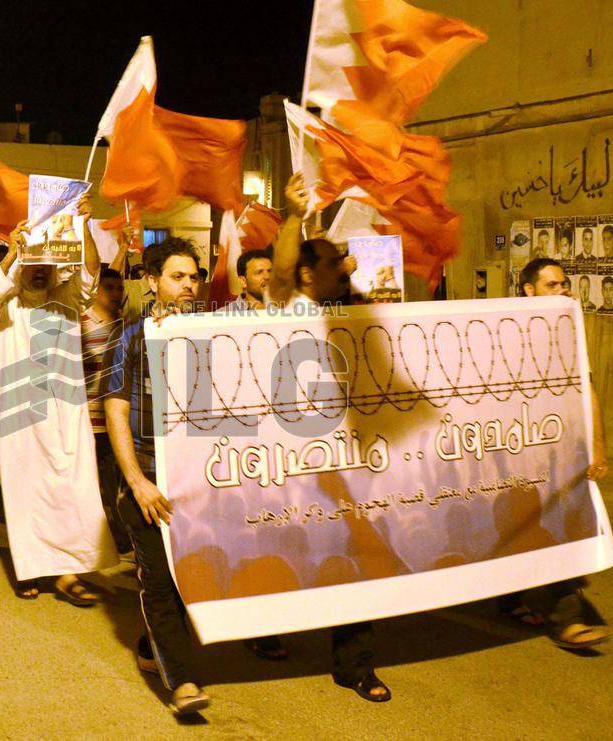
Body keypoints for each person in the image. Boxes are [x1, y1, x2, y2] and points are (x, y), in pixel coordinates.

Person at [264, 171, 388, 703]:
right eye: (334, 264)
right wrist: (294, 215)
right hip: (289, 457)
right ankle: (265, 627)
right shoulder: (290, 305)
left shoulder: (354, 310)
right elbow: (284, 267)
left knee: (356, 552)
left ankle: (354, 664)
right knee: (285, 547)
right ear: (308, 275)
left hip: (347, 457)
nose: (345, 268)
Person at [0, 198, 118, 600]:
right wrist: (14, 255)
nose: (39, 273)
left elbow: (90, 275)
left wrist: (84, 226)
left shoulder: (67, 298)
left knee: (73, 487)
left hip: (65, 413)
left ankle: (68, 571)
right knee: (26, 490)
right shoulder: (6, 303)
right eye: (31, 265)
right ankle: (30, 567)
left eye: (45, 266)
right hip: (19, 413)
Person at [103, 236, 212, 716]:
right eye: (177, 277)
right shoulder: (129, 338)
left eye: (194, 277)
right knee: (160, 580)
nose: (189, 285)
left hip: (204, 480)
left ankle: (153, 645)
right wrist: (136, 481)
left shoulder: (216, 333)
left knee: (193, 576)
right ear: (152, 282)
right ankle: (183, 681)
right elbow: (115, 407)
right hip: (149, 476)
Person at [517, 257, 610, 649]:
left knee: (558, 526)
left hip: (557, 451)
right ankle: (517, 600)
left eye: (564, 284)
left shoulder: (568, 332)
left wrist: (599, 448)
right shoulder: (507, 330)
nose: (562, 290)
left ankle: (567, 616)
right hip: (513, 450)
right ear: (529, 290)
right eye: (552, 285)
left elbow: (585, 389)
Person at [80, 266, 132, 555]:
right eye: (108, 288)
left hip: (122, 421)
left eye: (118, 288)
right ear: (95, 291)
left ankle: (122, 535)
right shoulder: (81, 324)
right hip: (91, 420)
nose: (115, 294)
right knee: (95, 483)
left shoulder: (129, 326)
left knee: (117, 481)